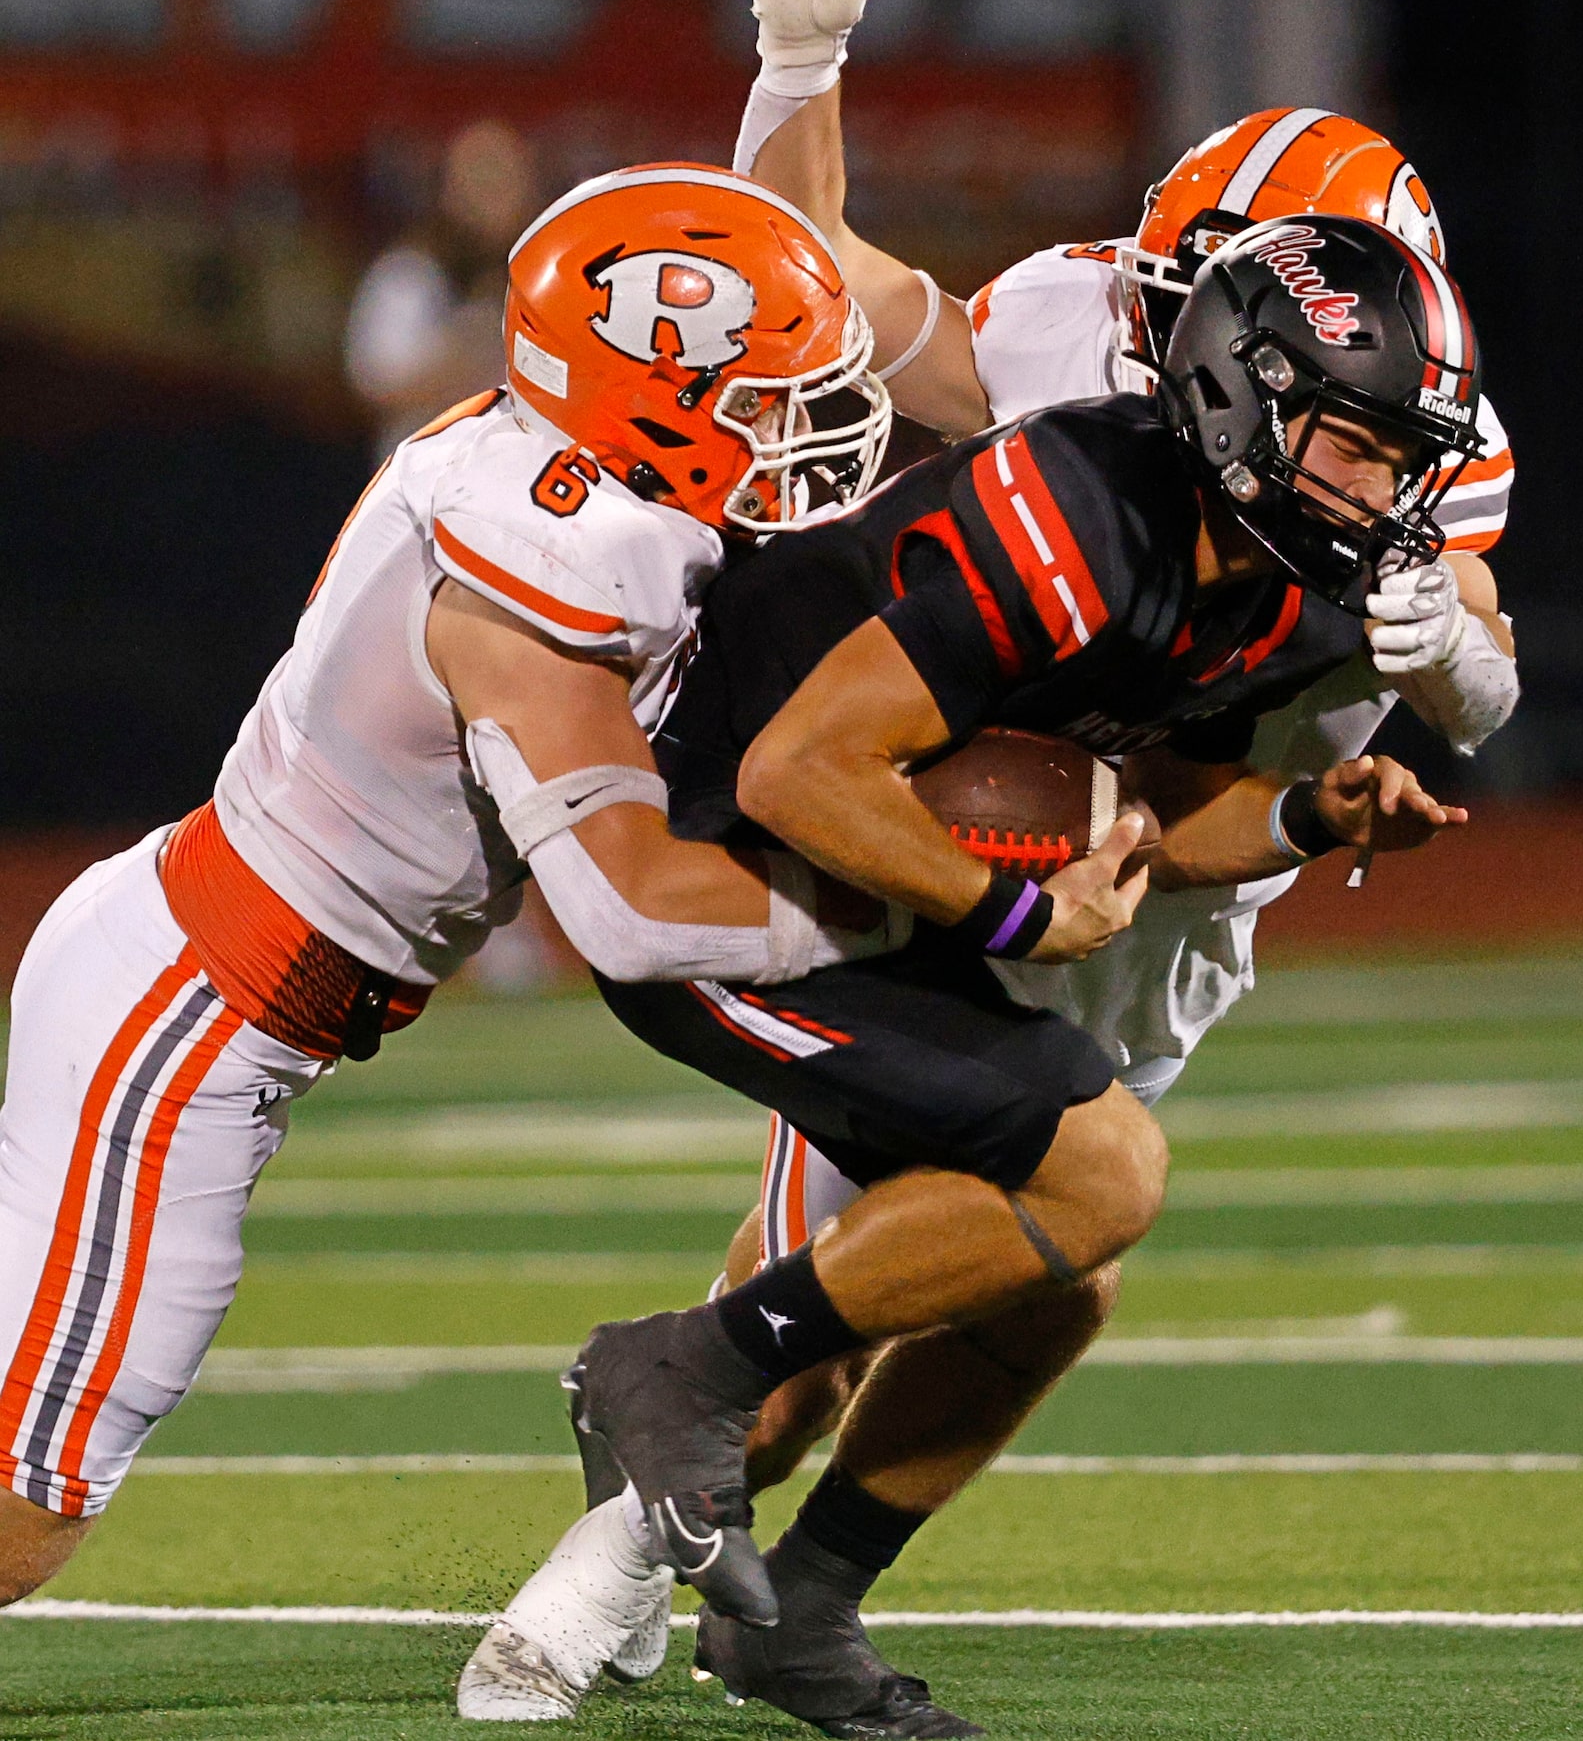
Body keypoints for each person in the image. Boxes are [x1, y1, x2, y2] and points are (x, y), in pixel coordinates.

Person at [464, 0, 1519, 1730]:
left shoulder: (1400, 433)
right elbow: (819, 284)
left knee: (1028, 1264)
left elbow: (1466, 673)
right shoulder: (1079, 389)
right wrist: (799, 63)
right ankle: (603, 1580)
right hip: (974, 823)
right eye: (1206, 278)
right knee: (839, 1271)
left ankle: (744, 1577)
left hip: (1183, 865)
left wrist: (1438, 666)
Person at [0, 163, 938, 1608]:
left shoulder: (580, 477)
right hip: (186, 1013)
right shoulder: (542, 558)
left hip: (217, 978)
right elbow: (626, 910)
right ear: (645, 395)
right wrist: (927, 899)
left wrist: (796, 64)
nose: (799, 431)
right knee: (27, 1505)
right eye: (760, 398)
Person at [344, 120, 538, 460]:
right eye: (478, 177)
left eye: (504, 178)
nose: (490, 195)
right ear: (448, 189)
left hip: (524, 489)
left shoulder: (549, 278)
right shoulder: (411, 274)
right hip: (424, 484)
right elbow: (374, 385)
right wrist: (466, 346)